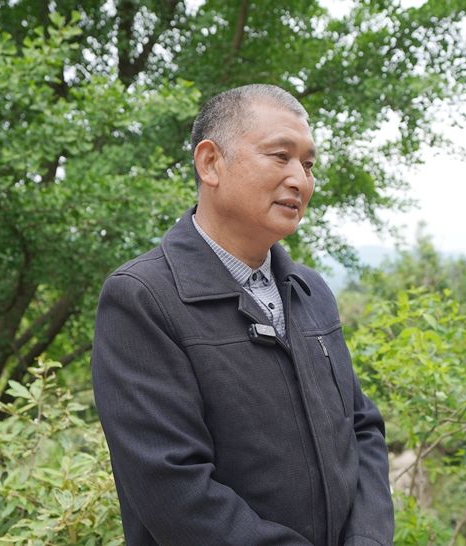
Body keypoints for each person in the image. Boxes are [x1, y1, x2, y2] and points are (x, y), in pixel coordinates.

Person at [91, 84, 394, 546]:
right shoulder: (143, 298)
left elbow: (362, 427)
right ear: (210, 162)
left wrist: (368, 539)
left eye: (308, 165)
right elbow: (173, 489)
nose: (300, 180)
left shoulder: (310, 290)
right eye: (281, 156)